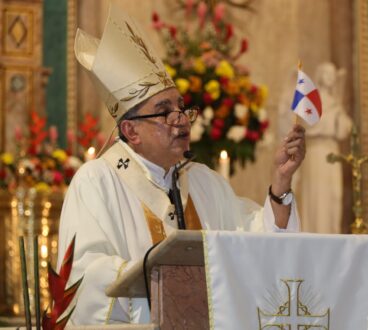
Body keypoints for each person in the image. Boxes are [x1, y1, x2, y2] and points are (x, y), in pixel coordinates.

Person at [57, 4, 306, 325]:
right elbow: (81, 274)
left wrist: (280, 183)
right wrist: (162, 278)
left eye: (181, 107)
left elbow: (253, 244)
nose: (180, 120)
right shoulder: (97, 181)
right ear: (130, 130)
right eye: (164, 111)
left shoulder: (204, 181)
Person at [292, 62, 352, 233]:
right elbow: (309, 125)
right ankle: (315, 233)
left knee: (333, 196)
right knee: (317, 198)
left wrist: (339, 118)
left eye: (333, 74)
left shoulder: (335, 102)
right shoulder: (311, 100)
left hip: (332, 152)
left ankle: (330, 234)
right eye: (327, 73)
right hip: (317, 152)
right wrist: (332, 120)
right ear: (319, 75)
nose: (331, 77)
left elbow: (344, 130)